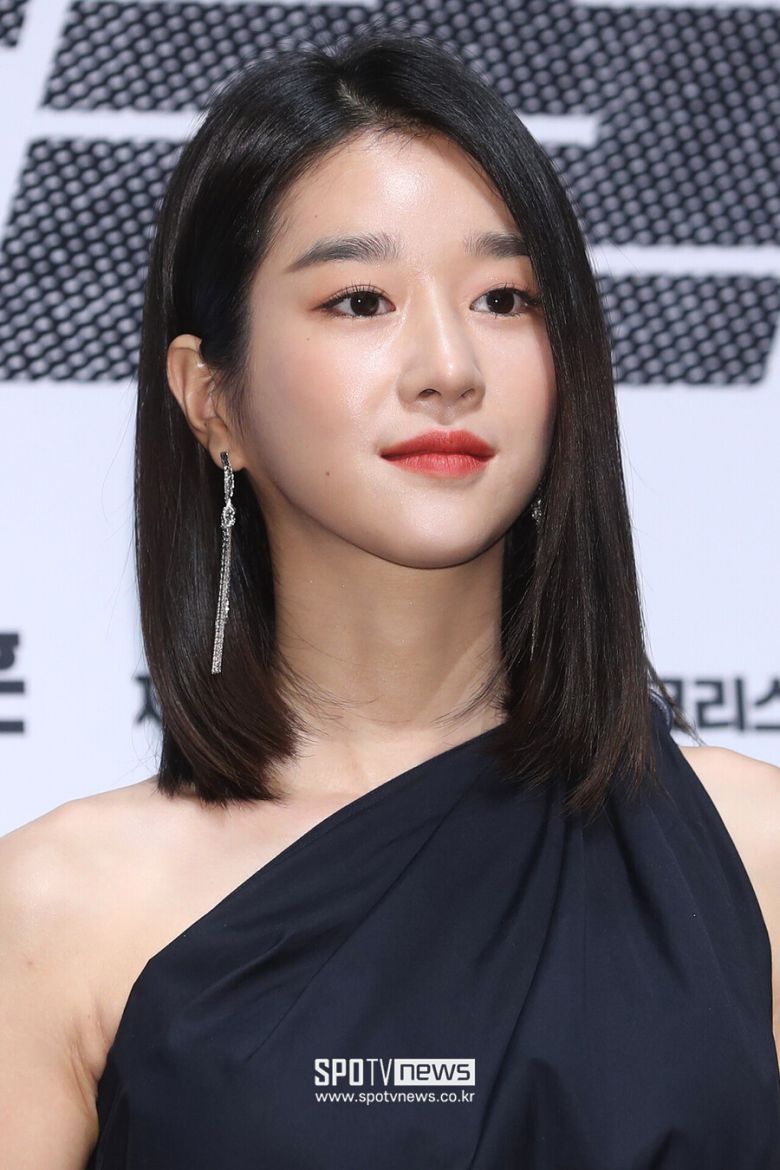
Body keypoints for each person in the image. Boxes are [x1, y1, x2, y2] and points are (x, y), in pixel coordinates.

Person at [1, 29, 778, 1170]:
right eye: (361, 300)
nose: (449, 366)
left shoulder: (757, 855)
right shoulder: (56, 913)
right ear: (210, 399)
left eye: (505, 297)